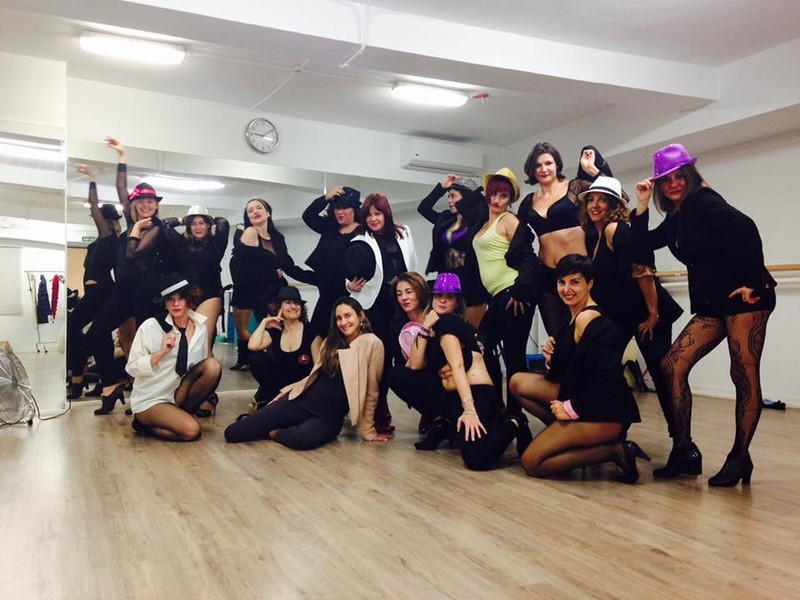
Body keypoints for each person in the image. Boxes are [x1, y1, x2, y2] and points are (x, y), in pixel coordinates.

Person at [632, 143, 776, 487]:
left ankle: (740, 457)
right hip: (714, 304)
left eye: (679, 176)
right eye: (666, 180)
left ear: (690, 176)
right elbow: (641, 244)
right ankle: (684, 449)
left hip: (746, 299)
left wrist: (753, 282)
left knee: (742, 372)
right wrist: (641, 205)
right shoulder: (677, 216)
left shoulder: (703, 200)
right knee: (672, 365)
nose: (673, 185)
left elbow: (746, 227)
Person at [509, 255, 649, 483]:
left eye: (575, 282)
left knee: (532, 462)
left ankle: (616, 451)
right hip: (586, 396)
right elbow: (572, 370)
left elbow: (607, 379)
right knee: (517, 382)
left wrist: (570, 408)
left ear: (589, 283)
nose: (566, 289)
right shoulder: (572, 315)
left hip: (607, 412)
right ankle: (565, 435)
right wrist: (552, 358)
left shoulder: (591, 319)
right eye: (561, 282)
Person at [578, 176, 683, 437]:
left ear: (614, 205)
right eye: (591, 200)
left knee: (662, 375)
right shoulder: (593, 236)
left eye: (602, 200)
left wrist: (653, 313)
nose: (595, 205)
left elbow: (642, 269)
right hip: (623, 317)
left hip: (648, 314)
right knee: (604, 367)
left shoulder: (616, 230)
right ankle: (613, 432)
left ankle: (682, 441)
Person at [392, 273, 529, 470]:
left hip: (476, 394)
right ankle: (447, 422)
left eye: (449, 297)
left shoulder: (448, 323)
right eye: (439, 295)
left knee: (477, 459)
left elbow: (457, 367)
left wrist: (469, 410)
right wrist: (424, 327)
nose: (443, 300)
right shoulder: (434, 325)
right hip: (454, 395)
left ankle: (515, 422)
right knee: (397, 375)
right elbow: (413, 366)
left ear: (457, 302)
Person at [224, 297, 392, 449]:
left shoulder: (372, 343)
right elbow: (314, 375)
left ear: (360, 316)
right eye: (339, 318)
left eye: (348, 316)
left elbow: (372, 390)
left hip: (328, 417)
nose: (343, 322)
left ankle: (273, 432)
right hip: (302, 401)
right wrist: (287, 391)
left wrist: (368, 432)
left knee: (301, 439)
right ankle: (277, 424)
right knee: (233, 433)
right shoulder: (331, 342)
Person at [85, 137, 171, 414]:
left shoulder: (155, 228)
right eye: (141, 200)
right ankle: (110, 387)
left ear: (156, 206)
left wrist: (135, 231)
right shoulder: (132, 220)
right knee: (96, 332)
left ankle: (148, 396)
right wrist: (122, 156)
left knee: (148, 347)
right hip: (122, 292)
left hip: (147, 295)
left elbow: (135, 255)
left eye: (150, 201)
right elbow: (121, 188)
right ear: (134, 205)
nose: (146, 204)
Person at [518, 143, 613, 335]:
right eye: (538, 165)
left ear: (557, 165)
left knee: (588, 332)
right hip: (548, 276)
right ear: (532, 170)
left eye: (548, 163)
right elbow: (518, 240)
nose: (543, 169)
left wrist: (592, 170)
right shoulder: (529, 201)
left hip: (579, 271)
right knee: (557, 337)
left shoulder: (576, 187)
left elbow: (615, 195)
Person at [466, 167, 540, 414]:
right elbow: (466, 205)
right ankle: (499, 408)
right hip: (499, 296)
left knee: (512, 355)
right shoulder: (484, 222)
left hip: (513, 294)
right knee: (483, 347)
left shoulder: (508, 220)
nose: (497, 200)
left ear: (510, 200)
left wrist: (520, 291)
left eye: (503, 195)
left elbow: (529, 257)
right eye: (493, 194)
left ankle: (515, 417)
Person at [345, 192, 418, 432]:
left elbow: (413, 264)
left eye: (378, 214)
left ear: (386, 214)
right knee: (380, 360)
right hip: (375, 305)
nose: (373, 219)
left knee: (410, 357)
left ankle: (426, 409)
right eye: (368, 215)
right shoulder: (360, 239)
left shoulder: (404, 232)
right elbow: (349, 272)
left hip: (402, 304)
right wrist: (350, 286)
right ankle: (379, 409)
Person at [127, 274, 222, 441]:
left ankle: (179, 415)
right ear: (164, 302)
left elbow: (196, 369)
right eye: (170, 299)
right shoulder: (151, 326)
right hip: (152, 398)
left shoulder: (200, 328)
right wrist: (160, 353)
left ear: (189, 299)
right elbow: (132, 368)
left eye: (181, 298)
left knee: (213, 366)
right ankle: (143, 424)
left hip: (178, 393)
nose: (176, 304)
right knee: (191, 431)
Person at [228, 198, 314, 370]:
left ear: (268, 212)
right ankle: (247, 359)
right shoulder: (250, 232)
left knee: (277, 328)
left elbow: (288, 266)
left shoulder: (278, 238)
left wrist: (317, 278)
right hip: (252, 290)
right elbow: (238, 270)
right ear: (248, 217)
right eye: (250, 210)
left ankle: (280, 363)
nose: (255, 211)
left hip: (274, 290)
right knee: (255, 329)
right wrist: (270, 273)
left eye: (259, 208)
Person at [66, 163, 121, 399]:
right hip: (93, 294)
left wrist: (92, 179)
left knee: (74, 328)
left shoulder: (109, 238)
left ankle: (79, 378)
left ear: (106, 220)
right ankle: (107, 382)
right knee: (100, 337)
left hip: (102, 292)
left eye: (97, 216)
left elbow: (94, 206)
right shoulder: (99, 241)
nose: (93, 216)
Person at [417, 174, 489, 327]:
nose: (449, 200)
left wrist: (476, 193)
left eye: (453, 196)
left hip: (469, 283)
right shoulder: (445, 218)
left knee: (468, 331)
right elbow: (423, 208)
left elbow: (482, 210)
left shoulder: (477, 221)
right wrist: (442, 188)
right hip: (446, 281)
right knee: (445, 329)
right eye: (448, 196)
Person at [162, 205, 229, 356]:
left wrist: (209, 219)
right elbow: (163, 225)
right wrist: (181, 220)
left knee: (202, 342)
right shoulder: (181, 242)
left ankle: (209, 367)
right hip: (187, 296)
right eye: (193, 224)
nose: (198, 227)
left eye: (201, 223)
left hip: (210, 294)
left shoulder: (216, 243)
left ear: (208, 225)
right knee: (188, 341)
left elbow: (223, 222)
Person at [302, 186, 362, 340]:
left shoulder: (363, 232)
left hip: (348, 296)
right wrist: (325, 198)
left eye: (345, 208)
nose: (340, 212)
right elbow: (308, 216)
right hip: (325, 294)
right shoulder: (330, 228)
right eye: (337, 208)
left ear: (354, 209)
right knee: (316, 337)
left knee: (345, 339)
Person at [247, 286, 320, 408]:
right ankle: (270, 396)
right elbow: (252, 346)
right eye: (288, 303)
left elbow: (318, 370)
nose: (293, 306)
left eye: (297, 303)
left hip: (302, 387)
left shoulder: (311, 331)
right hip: (280, 386)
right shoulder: (276, 330)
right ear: (279, 307)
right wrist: (264, 322)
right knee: (256, 357)